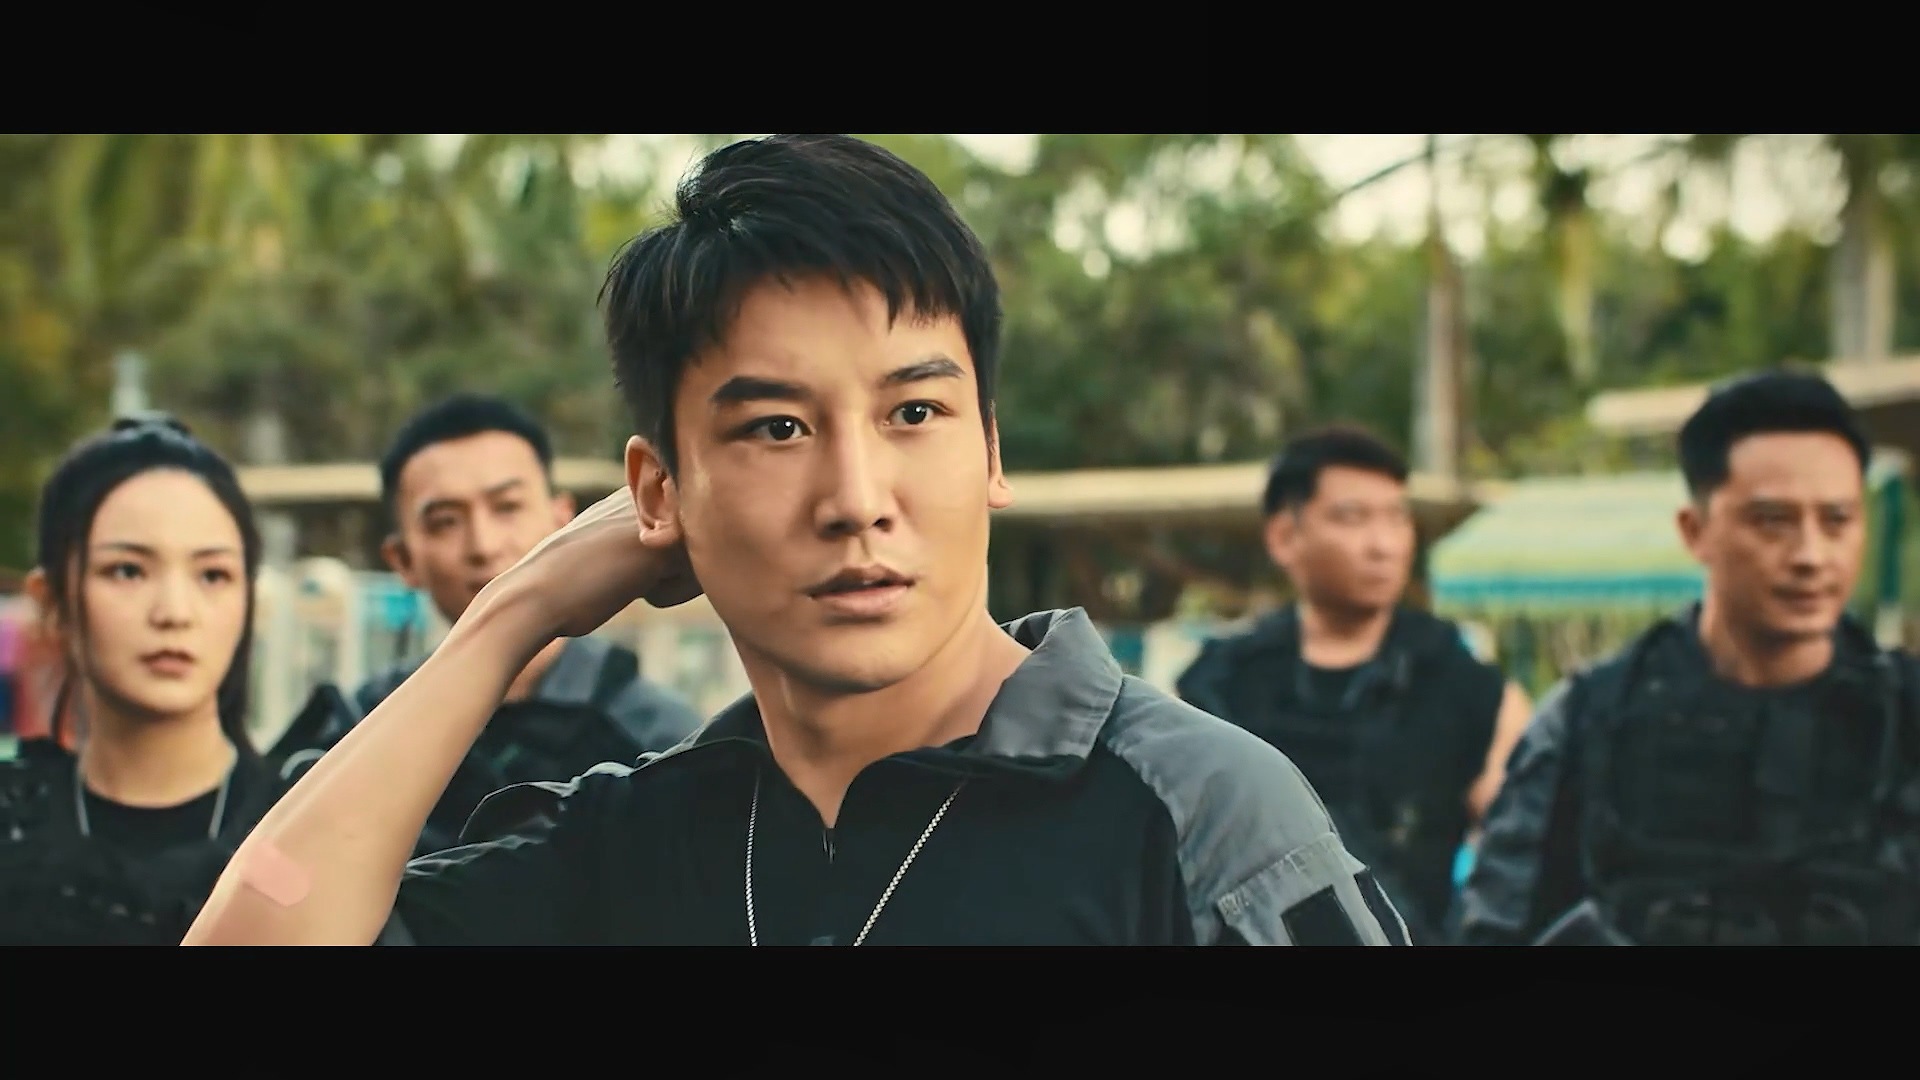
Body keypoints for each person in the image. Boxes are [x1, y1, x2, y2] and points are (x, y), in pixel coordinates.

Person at [184, 133, 1407, 947]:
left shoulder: (1193, 810)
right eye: (777, 427)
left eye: (913, 414)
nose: (856, 497)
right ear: (658, 492)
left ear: (990, 451)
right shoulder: (637, 839)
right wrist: (517, 610)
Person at [1456, 370, 1920, 946]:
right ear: (1695, 530)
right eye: (1773, 521)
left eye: (1837, 521)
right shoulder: (1588, 723)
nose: (1810, 555)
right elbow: (1499, 926)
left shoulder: (1905, 718)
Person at [265, 393, 703, 854]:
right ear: (403, 559)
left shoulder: (655, 741)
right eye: (445, 522)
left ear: (563, 520)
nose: (484, 545)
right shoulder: (362, 732)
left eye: (507, 507)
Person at [1176, 425, 1533, 944]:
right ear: (1284, 537)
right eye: (1352, 518)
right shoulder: (1221, 687)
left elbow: (1523, 860)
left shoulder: (1470, 688)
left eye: (1397, 518)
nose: (1383, 545)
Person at [0, 417, 288, 944]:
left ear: (250, 601)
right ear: (52, 603)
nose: (174, 612)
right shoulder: (13, 826)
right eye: (128, 571)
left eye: (213, 575)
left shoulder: (302, 832)